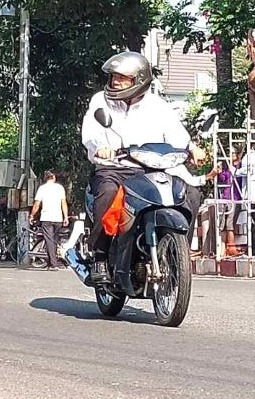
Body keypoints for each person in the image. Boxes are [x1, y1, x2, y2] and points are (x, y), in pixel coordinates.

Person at [80, 51, 206, 287]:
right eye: (114, 76)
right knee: (108, 193)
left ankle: (176, 252)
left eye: (122, 78)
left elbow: (176, 134)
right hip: (116, 168)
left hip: (152, 169)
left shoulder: (158, 105)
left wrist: (192, 148)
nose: (115, 81)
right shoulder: (101, 101)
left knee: (191, 194)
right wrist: (101, 147)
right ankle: (99, 256)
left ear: (139, 79)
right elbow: (91, 132)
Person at [31, 170, 68, 269]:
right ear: (54, 177)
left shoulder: (42, 188)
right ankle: (51, 262)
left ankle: (53, 264)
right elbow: (63, 203)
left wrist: (32, 215)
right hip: (58, 218)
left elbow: (37, 204)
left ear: (45, 178)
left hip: (46, 217)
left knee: (49, 240)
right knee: (54, 240)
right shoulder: (60, 188)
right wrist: (65, 217)